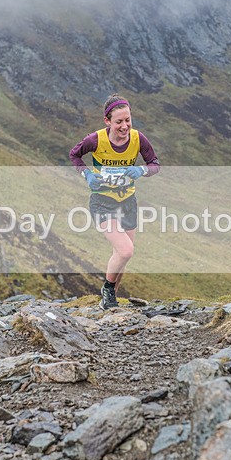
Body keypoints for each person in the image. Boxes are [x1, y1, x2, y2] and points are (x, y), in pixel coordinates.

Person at [69, 93, 160, 309]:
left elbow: (155, 164)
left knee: (122, 256)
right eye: (119, 121)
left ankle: (110, 303)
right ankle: (107, 291)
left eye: (127, 120)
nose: (124, 126)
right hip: (103, 203)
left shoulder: (138, 139)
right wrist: (87, 175)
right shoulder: (96, 140)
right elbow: (75, 155)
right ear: (107, 121)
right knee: (126, 250)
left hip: (128, 203)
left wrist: (142, 170)